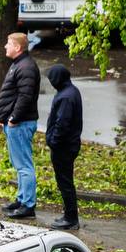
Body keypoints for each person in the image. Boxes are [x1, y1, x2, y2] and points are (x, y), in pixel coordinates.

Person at [0, 32, 41, 219]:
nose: (5, 46)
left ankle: (28, 205)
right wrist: (5, 117)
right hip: (16, 123)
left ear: (18, 47)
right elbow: (14, 94)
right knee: (19, 164)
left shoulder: (26, 67)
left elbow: (25, 96)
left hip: (20, 124)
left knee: (24, 165)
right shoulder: (19, 64)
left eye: (8, 43)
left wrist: (13, 118)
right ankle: (22, 199)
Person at [44, 64, 83, 230]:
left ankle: (71, 217)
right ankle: (69, 215)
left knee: (65, 182)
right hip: (69, 144)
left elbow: (62, 123)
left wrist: (53, 140)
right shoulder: (71, 91)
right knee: (66, 181)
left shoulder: (66, 96)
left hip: (64, 147)